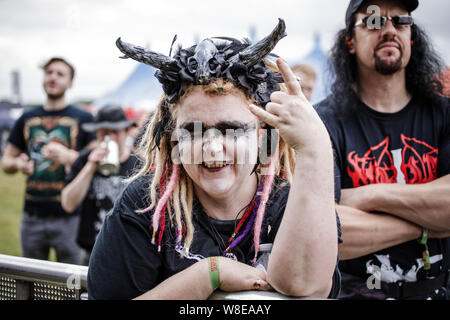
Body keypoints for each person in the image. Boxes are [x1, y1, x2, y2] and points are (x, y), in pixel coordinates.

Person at [87, 19, 342, 300]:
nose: (211, 149)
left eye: (230, 130)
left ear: (261, 135)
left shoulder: (290, 205)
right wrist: (208, 275)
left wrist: (314, 147)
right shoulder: (146, 206)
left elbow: (305, 285)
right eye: (191, 132)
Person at [316, 0, 450, 300]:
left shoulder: (444, 115)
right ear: (350, 41)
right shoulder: (322, 123)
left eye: (401, 21)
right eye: (374, 22)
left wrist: (369, 194)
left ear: (411, 37)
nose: (389, 29)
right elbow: (326, 232)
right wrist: (428, 225)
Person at [1, 57, 96, 264]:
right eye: (49, 72)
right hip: (32, 217)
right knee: (31, 284)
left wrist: (70, 157)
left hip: (70, 218)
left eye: (60, 74)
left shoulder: (84, 119)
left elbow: (96, 160)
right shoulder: (26, 118)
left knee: (71, 286)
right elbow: (6, 161)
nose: (53, 77)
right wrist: (18, 164)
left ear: (70, 83)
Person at [61, 105, 140, 264]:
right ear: (96, 134)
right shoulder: (84, 160)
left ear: (126, 132)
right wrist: (90, 166)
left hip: (129, 254)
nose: (109, 138)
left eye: (115, 132)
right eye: (104, 133)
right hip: (92, 253)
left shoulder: (138, 165)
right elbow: (68, 204)